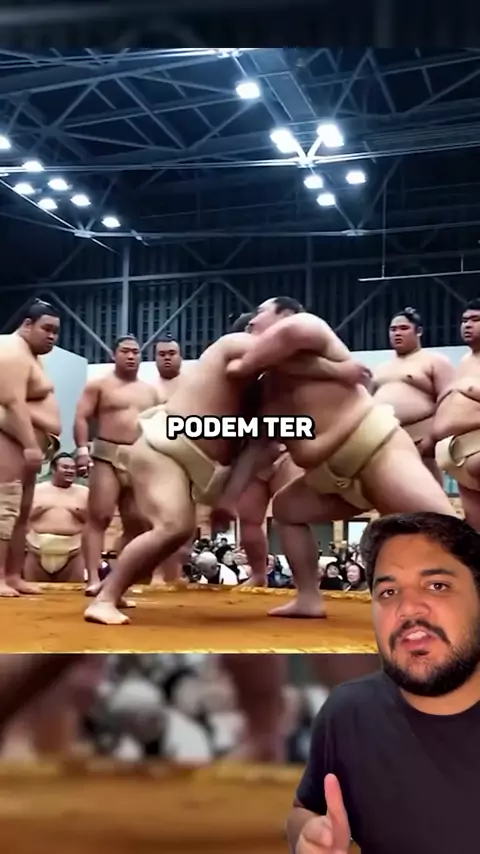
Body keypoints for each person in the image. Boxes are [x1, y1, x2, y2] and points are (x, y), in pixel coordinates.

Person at [228, 297, 456, 617]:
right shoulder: (270, 392)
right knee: (286, 509)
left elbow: (244, 363)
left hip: (377, 454)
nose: (252, 322)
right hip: (332, 477)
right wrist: (226, 499)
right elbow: (256, 448)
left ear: (286, 315)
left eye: (260, 314)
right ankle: (308, 597)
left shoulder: (306, 327)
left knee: (445, 531)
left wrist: (244, 361)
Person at [288, 511, 480, 854]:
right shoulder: (347, 713)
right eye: (388, 592)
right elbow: (306, 809)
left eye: (436, 585)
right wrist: (308, 837)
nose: (408, 608)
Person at [83, 326, 275, 625]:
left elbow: (254, 448)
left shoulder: (263, 392)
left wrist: (227, 500)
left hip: (184, 458)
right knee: (170, 525)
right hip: (163, 447)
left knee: (180, 530)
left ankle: (114, 590)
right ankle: (104, 599)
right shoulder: (233, 348)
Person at [74, 335, 162, 594]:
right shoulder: (99, 385)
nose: (131, 356)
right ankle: (93, 578)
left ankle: (120, 580)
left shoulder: (150, 392)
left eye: (135, 352)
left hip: (139, 457)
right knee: (99, 516)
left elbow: (159, 426)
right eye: (125, 351)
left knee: (137, 522)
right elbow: (81, 417)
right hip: (106, 454)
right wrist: (82, 449)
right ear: (114, 355)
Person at [0, 299, 61, 597]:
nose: (52, 336)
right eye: (46, 329)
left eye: (55, 331)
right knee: (4, 508)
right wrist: (29, 445)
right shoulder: (11, 350)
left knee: (22, 513)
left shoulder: (31, 355)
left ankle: (13, 575)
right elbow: (12, 402)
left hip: (23, 443)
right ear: (26, 325)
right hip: (9, 440)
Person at [371, 307, 454, 482]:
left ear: (419, 331)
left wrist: (433, 437)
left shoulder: (435, 361)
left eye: (404, 328)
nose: (397, 333)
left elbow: (448, 401)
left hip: (421, 438)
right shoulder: (381, 368)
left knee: (426, 490)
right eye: (393, 329)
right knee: (390, 490)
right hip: (385, 439)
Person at [434, 298, 480, 528]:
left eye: (475, 319)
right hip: (457, 452)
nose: (467, 325)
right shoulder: (464, 360)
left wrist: (469, 389)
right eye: (464, 320)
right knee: (475, 526)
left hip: (477, 445)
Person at [24, 453, 88, 582]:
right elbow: (21, 520)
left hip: (74, 552)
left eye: (73, 468)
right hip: (36, 549)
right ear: (53, 469)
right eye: (65, 467)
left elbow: (95, 524)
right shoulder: (36, 490)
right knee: (32, 592)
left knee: (74, 592)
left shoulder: (85, 492)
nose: (70, 471)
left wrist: (81, 515)